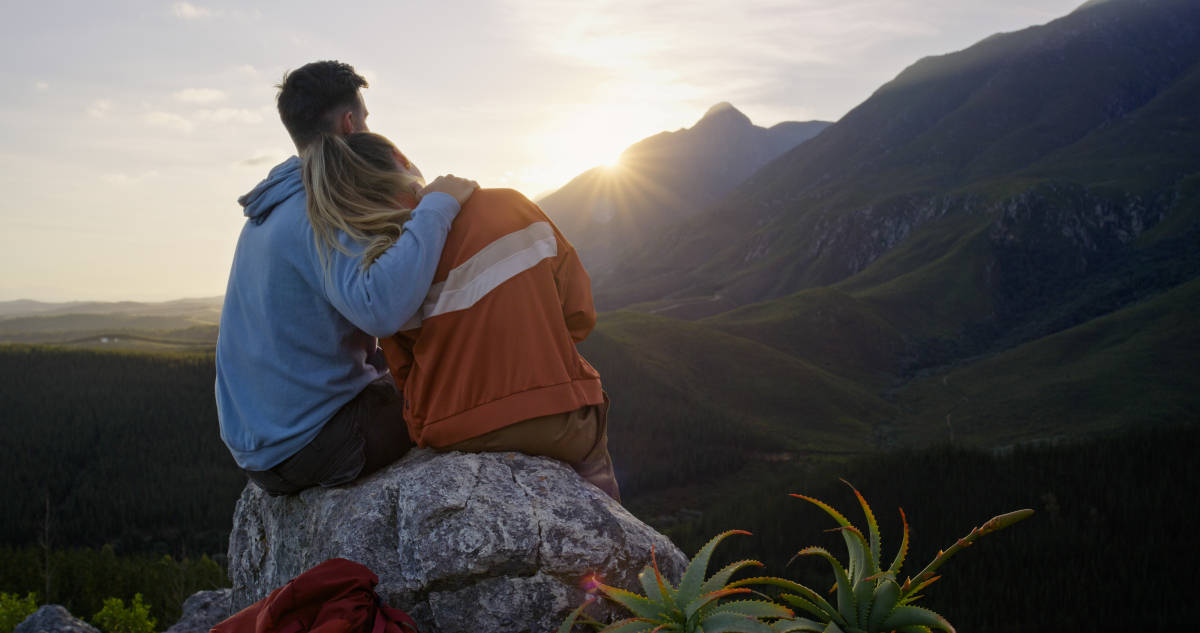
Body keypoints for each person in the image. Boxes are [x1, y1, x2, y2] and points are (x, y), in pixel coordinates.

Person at [302, 132, 621, 501]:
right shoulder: (509, 205)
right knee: (598, 472)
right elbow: (579, 314)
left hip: (452, 431)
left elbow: (405, 374)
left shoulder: (388, 262)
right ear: (400, 157)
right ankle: (622, 545)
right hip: (559, 420)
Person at [215, 60, 478, 495]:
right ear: (350, 123)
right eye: (367, 119)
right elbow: (381, 307)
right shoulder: (319, 204)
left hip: (263, 454)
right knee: (459, 383)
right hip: (315, 445)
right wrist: (438, 205)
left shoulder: (271, 207)